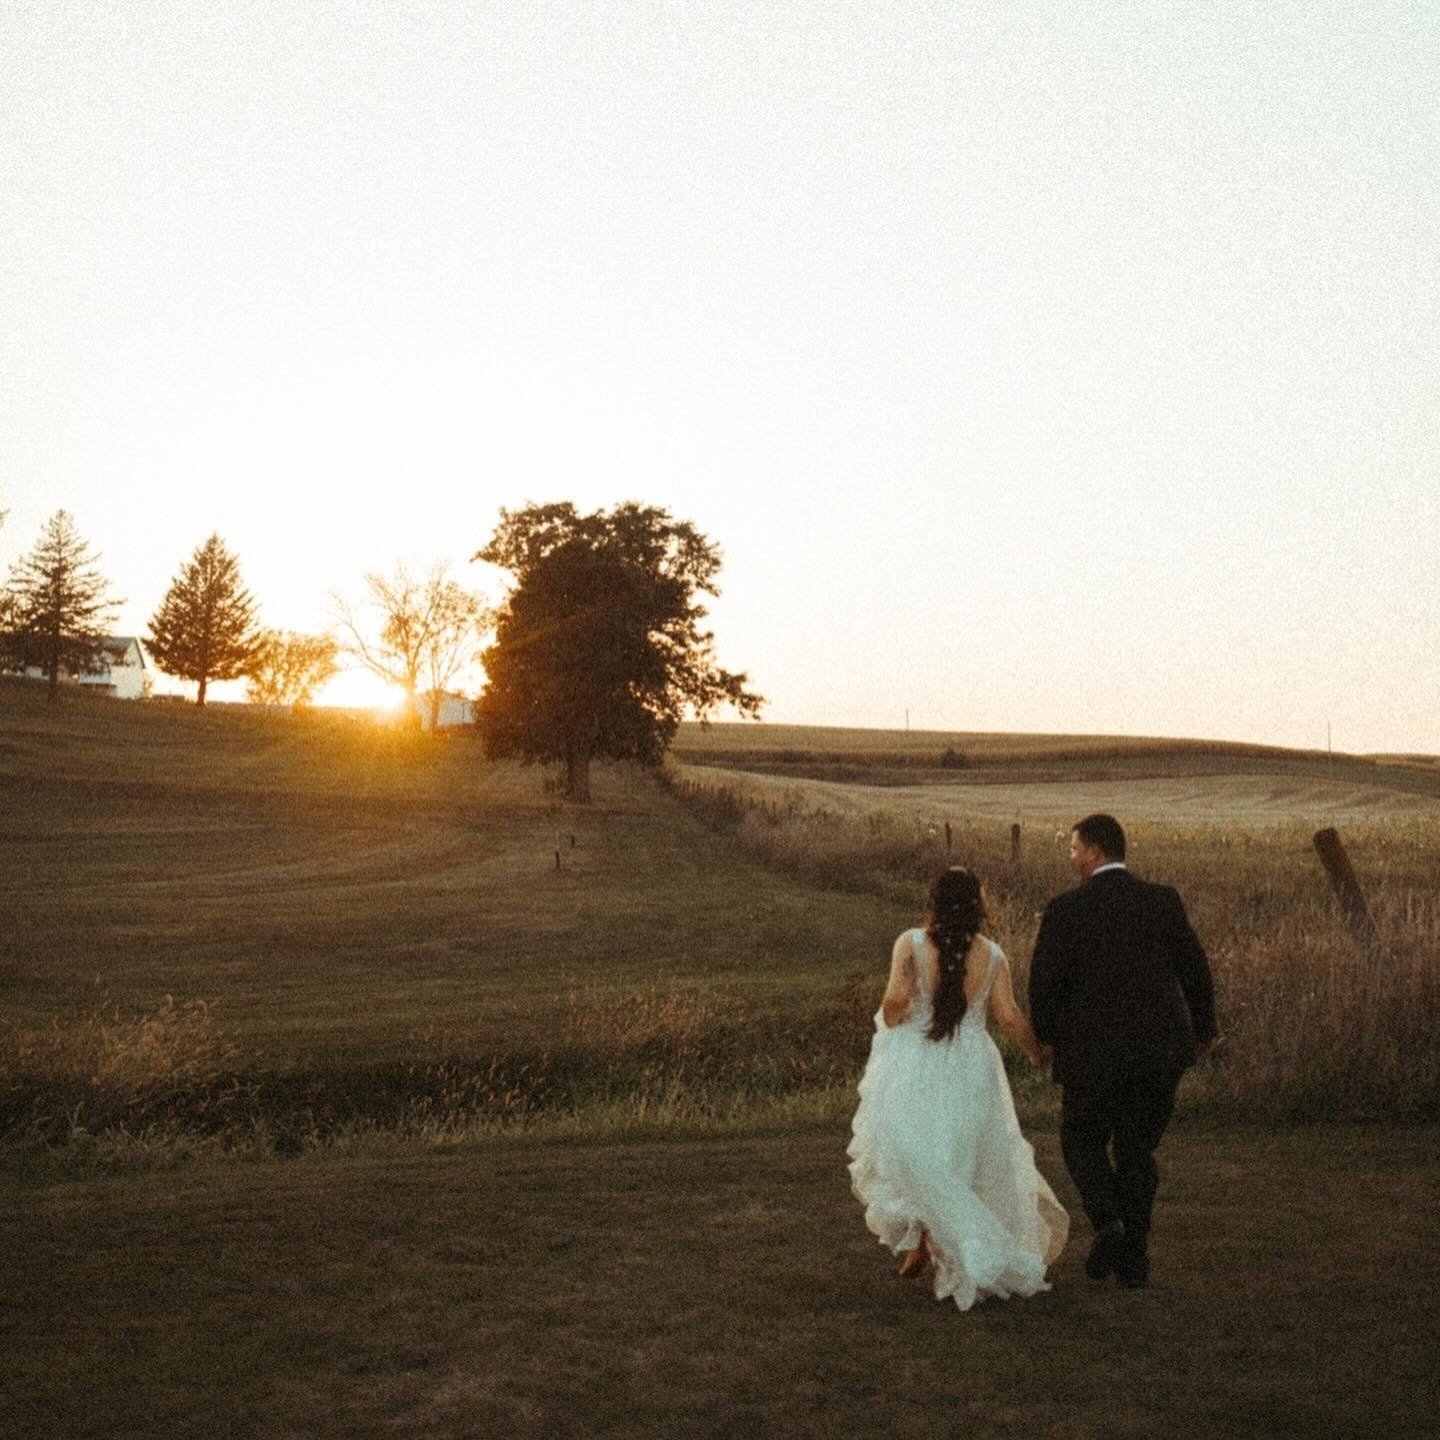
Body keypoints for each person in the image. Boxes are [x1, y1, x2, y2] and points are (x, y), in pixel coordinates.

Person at [847, 866, 1069, 1310]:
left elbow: (893, 1000)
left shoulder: (910, 944)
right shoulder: (994, 955)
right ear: (977, 905)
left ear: (934, 901)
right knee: (959, 1155)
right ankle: (937, 1242)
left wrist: (895, 1021)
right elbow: (1007, 1016)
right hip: (970, 1063)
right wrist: (1035, 1052)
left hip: (919, 1057)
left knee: (915, 1149)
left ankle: (932, 1239)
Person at [1029, 814, 1219, 1290]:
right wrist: (1204, 1029)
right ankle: (1134, 1255)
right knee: (1137, 1148)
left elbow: (1044, 985)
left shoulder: (1065, 910)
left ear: (1094, 852)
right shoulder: (1162, 901)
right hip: (1159, 1050)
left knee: (1081, 1141)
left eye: (1074, 849)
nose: (1071, 858)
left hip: (1091, 1055)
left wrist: (1047, 1037)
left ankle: (1110, 1223)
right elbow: (1195, 969)